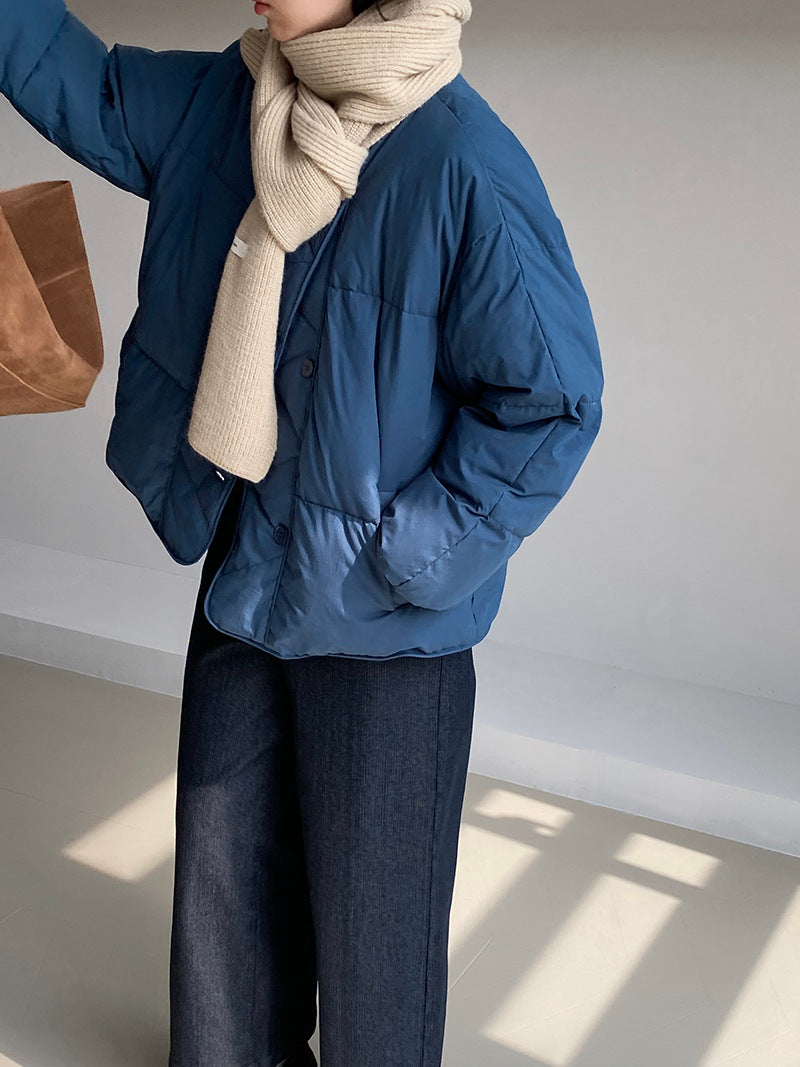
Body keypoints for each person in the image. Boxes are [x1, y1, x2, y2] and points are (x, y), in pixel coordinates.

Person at [0, 0, 604, 1064]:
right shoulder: (226, 100)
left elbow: (551, 400)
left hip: (385, 629)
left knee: (377, 946)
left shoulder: (462, 162)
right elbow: (83, 86)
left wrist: (401, 555)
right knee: (223, 891)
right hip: (247, 575)